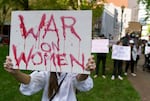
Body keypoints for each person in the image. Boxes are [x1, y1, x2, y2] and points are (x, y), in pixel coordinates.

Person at [3, 55, 96, 101]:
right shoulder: (47, 72)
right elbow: (31, 81)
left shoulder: (73, 70)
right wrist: (16, 73)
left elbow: (79, 79)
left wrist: (85, 71)